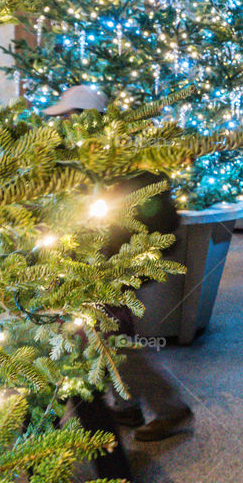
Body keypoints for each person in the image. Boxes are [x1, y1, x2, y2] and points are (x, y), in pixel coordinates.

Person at [44, 87, 192, 454]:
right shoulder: (82, 159)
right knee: (106, 331)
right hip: (94, 261)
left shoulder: (126, 161)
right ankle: (126, 407)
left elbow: (160, 215)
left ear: (86, 118)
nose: (62, 124)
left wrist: (112, 240)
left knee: (110, 335)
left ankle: (172, 410)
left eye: (67, 117)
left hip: (118, 262)